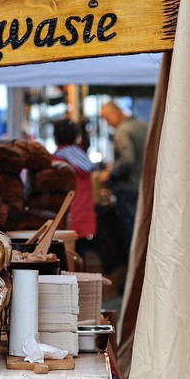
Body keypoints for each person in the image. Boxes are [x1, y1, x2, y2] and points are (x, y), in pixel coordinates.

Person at [99, 101, 148, 267]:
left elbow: (127, 159)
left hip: (129, 189)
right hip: (145, 186)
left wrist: (110, 173)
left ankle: (130, 276)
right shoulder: (142, 125)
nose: (108, 123)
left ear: (115, 114)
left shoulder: (122, 131)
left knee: (130, 236)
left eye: (106, 118)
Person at [52, 118, 97, 258]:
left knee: (64, 262)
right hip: (84, 219)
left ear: (55, 137)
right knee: (80, 259)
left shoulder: (56, 162)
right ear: (77, 137)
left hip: (63, 220)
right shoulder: (83, 160)